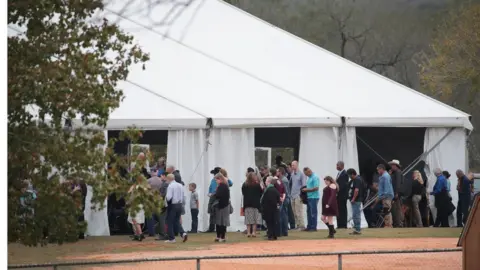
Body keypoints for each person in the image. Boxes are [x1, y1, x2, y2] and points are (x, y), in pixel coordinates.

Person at [207, 167, 233, 233]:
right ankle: (216, 228)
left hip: (218, 197)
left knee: (218, 214)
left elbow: (230, 184)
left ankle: (216, 228)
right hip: (218, 197)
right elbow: (210, 187)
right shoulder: (217, 180)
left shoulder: (221, 180)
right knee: (218, 214)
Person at [165, 174, 188, 243]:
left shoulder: (170, 186)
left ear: (168, 179)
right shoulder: (180, 185)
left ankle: (172, 238)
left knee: (169, 222)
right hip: (180, 204)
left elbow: (169, 197)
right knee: (176, 221)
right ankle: (183, 233)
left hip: (172, 205)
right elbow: (183, 196)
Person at [242, 172, 263, 238]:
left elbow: (243, 193)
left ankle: (248, 232)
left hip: (247, 204)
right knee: (255, 219)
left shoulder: (244, 185)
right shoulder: (257, 185)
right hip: (256, 204)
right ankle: (253, 232)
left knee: (248, 219)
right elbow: (261, 193)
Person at [261, 176, 281, 241]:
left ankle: (271, 235)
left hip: (269, 209)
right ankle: (274, 235)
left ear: (269, 182)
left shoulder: (269, 190)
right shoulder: (275, 190)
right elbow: (279, 199)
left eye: (266, 181)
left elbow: (266, 200)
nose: (265, 182)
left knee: (269, 223)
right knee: (273, 222)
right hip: (274, 209)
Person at [213, 173, 231, 242]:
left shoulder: (222, 186)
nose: (216, 181)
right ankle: (219, 236)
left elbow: (218, 195)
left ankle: (222, 237)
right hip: (223, 205)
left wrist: (214, 194)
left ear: (220, 179)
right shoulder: (224, 185)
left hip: (223, 206)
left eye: (216, 180)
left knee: (222, 222)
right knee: (219, 222)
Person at [290, 161, 307, 230]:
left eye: (293, 165)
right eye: (291, 165)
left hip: (298, 195)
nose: (292, 166)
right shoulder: (292, 174)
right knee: (294, 212)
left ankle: (302, 226)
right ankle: (298, 225)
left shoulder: (301, 174)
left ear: (297, 165)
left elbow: (304, 185)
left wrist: (301, 195)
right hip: (292, 195)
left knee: (299, 211)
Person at [388, 159, 405, 228]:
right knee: (396, 209)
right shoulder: (396, 172)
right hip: (396, 193)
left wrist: (396, 193)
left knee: (397, 209)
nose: (391, 166)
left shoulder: (398, 172)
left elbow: (398, 184)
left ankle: (399, 223)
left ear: (396, 165)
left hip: (396, 193)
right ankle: (398, 223)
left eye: (392, 165)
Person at [302, 167, 320, 232]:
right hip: (309, 197)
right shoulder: (309, 178)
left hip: (314, 197)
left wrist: (306, 189)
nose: (305, 175)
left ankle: (313, 227)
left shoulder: (315, 177)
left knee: (313, 212)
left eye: (306, 173)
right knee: (309, 212)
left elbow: (316, 188)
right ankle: (309, 226)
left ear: (309, 172)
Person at [347, 169, 363, 235]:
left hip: (356, 200)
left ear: (352, 174)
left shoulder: (357, 180)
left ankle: (358, 229)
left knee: (356, 214)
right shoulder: (354, 180)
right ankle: (357, 229)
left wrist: (353, 198)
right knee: (355, 214)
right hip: (355, 200)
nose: (349, 177)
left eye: (349, 175)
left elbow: (356, 190)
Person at [335, 161, 349, 229]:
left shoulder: (345, 174)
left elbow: (343, 185)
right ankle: (339, 224)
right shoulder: (339, 173)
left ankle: (343, 225)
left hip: (342, 195)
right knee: (339, 210)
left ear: (342, 166)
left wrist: (336, 190)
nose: (336, 167)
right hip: (338, 195)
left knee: (342, 210)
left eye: (337, 165)